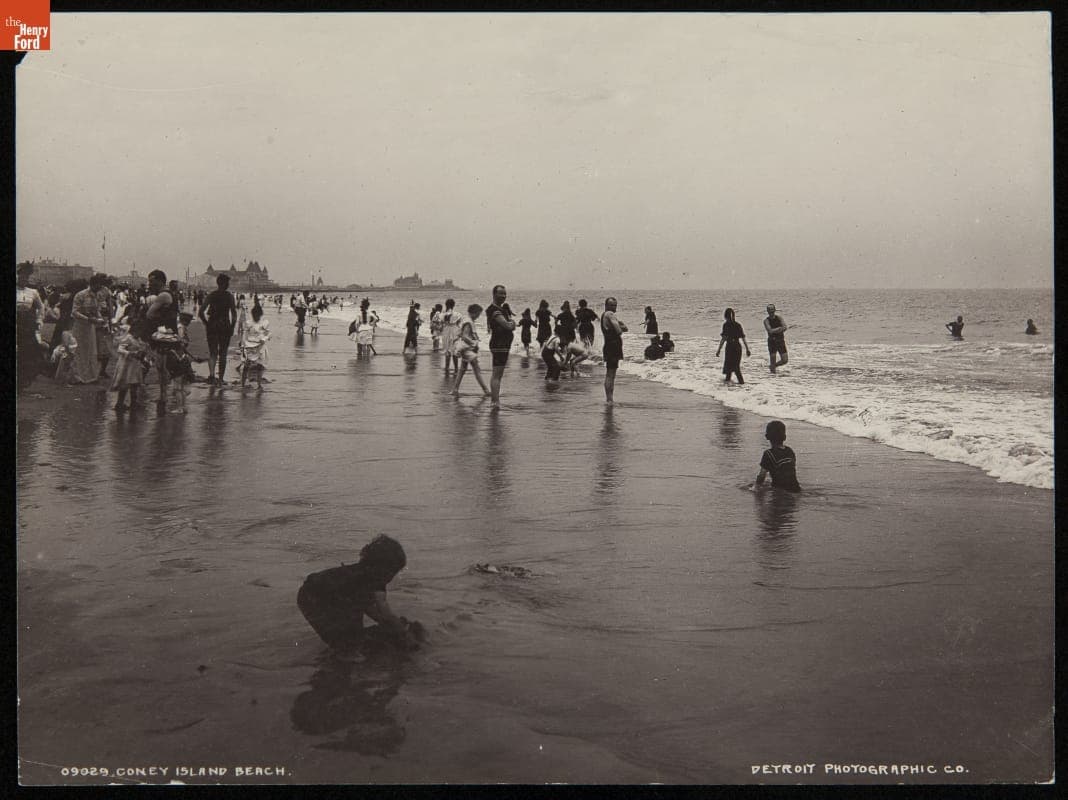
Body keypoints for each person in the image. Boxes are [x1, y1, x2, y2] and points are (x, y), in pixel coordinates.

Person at [297, 534, 419, 653]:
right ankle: (345, 657)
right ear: (384, 569)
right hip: (320, 596)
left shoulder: (359, 573)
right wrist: (404, 633)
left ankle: (341, 652)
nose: (391, 577)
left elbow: (369, 608)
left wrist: (385, 622)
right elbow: (384, 610)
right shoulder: (375, 580)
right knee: (351, 643)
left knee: (345, 637)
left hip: (309, 593)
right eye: (393, 572)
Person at [143, 269, 178, 412]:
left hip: (164, 337)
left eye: (152, 281)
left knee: (161, 367)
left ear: (160, 280)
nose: (149, 284)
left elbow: (149, 314)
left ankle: (164, 396)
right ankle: (165, 395)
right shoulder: (169, 294)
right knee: (163, 366)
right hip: (169, 334)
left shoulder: (163, 295)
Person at [198, 273, 237, 386]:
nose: (229, 284)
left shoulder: (211, 295)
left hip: (212, 325)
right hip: (225, 326)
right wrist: (232, 327)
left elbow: (201, 312)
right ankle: (220, 379)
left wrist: (206, 324)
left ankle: (211, 376)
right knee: (223, 353)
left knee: (213, 353)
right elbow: (234, 314)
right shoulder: (229, 296)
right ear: (225, 283)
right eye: (228, 283)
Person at [70, 273, 108, 384]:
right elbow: (74, 312)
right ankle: (77, 376)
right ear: (92, 284)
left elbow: (97, 311)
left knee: (91, 351)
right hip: (80, 326)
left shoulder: (96, 296)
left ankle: (90, 376)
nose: (99, 289)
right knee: (79, 351)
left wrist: (101, 320)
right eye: (98, 286)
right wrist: (88, 319)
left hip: (90, 327)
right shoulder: (80, 295)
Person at [15, 263, 47, 391]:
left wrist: (39, 320)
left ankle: (22, 381)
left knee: (28, 353)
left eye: (26, 277)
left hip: (27, 325)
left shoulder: (33, 292)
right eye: (21, 276)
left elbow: (41, 307)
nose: (23, 279)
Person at [109, 317, 150, 410]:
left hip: (134, 365)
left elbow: (142, 348)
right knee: (124, 383)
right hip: (126, 364)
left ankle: (133, 402)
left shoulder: (138, 339)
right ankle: (119, 403)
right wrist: (131, 353)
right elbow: (120, 349)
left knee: (134, 383)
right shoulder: (128, 338)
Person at [485, 285, 516, 407]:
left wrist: (511, 323)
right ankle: (495, 401)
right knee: (497, 375)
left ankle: (495, 400)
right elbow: (508, 326)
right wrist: (512, 323)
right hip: (499, 345)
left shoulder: (499, 309)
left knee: (498, 374)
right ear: (494, 294)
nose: (503, 296)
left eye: (505, 294)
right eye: (501, 293)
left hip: (502, 345)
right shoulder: (494, 310)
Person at [451, 303, 490, 397]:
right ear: (474, 313)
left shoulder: (466, 319)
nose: (478, 316)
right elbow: (464, 336)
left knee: (462, 369)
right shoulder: (469, 321)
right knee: (476, 369)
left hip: (465, 348)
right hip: (467, 349)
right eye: (478, 314)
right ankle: (486, 390)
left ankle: (455, 389)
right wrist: (474, 343)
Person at [753, 420, 801, 492]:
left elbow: (762, 475)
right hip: (796, 488)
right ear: (784, 437)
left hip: (780, 490)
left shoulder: (768, 454)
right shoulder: (790, 451)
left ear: (767, 436)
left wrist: (755, 487)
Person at [601, 297, 628, 404]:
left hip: (609, 345)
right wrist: (620, 325)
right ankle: (609, 399)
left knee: (610, 373)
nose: (614, 307)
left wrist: (621, 326)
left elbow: (625, 328)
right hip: (612, 346)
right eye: (612, 305)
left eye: (615, 305)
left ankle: (609, 399)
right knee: (611, 374)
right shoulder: (610, 315)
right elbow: (619, 331)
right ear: (606, 305)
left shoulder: (604, 315)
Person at [240, 303, 271, 391]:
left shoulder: (264, 323)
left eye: (258, 315)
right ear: (252, 314)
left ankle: (259, 384)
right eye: (254, 315)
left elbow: (269, 333)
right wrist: (243, 345)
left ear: (260, 315)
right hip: (250, 346)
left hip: (260, 346)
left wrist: (265, 338)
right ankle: (242, 383)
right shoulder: (248, 323)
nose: (256, 316)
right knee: (246, 365)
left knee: (260, 365)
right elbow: (244, 334)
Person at [716, 308, 750, 384]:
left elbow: (724, 339)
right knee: (734, 367)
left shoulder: (726, 325)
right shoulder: (738, 325)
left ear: (725, 316)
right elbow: (743, 338)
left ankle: (739, 384)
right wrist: (747, 349)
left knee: (731, 367)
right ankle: (737, 385)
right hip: (737, 347)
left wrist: (718, 350)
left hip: (730, 347)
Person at [763, 303, 789, 373]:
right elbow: (770, 331)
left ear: (775, 310)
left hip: (780, 340)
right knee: (773, 359)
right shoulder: (766, 321)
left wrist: (776, 330)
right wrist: (779, 329)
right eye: (769, 310)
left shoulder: (779, 318)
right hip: (772, 342)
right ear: (767, 311)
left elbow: (785, 327)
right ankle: (772, 378)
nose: (771, 311)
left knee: (785, 360)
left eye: (772, 309)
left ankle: (773, 366)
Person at [440, 298, 462, 372]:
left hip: (446, 331)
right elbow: (459, 323)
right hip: (455, 330)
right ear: (454, 305)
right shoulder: (457, 314)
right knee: (454, 350)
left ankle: (447, 367)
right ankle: (456, 368)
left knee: (447, 350)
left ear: (446, 305)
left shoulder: (442, 314)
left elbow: (441, 324)